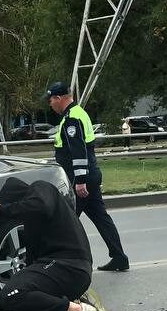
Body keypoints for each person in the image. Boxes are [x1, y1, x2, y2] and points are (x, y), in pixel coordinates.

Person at [0, 178, 116, 311]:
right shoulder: (33, 223)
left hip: (69, 264)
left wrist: (2, 209)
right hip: (65, 272)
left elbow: (41, 207)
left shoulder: (41, 189)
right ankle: (81, 303)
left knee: (9, 294)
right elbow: (33, 267)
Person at [45, 82, 130, 271]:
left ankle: (60, 265)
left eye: (51, 101)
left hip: (80, 180)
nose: (50, 104)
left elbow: (78, 151)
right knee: (101, 218)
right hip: (89, 175)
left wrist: (80, 181)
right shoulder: (78, 113)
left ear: (59, 98)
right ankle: (119, 257)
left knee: (63, 222)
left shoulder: (72, 119)